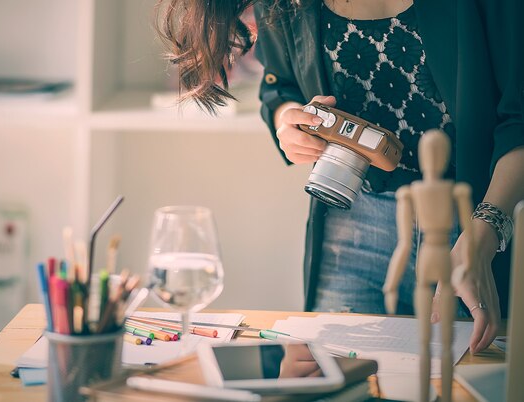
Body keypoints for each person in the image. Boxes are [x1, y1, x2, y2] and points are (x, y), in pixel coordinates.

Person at [155, 0, 524, 353]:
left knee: (461, 378)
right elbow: (279, 87)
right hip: (351, 221)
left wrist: (485, 232)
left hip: (469, 225)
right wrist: (289, 123)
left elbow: (519, 119)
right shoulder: (287, 3)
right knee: (333, 380)